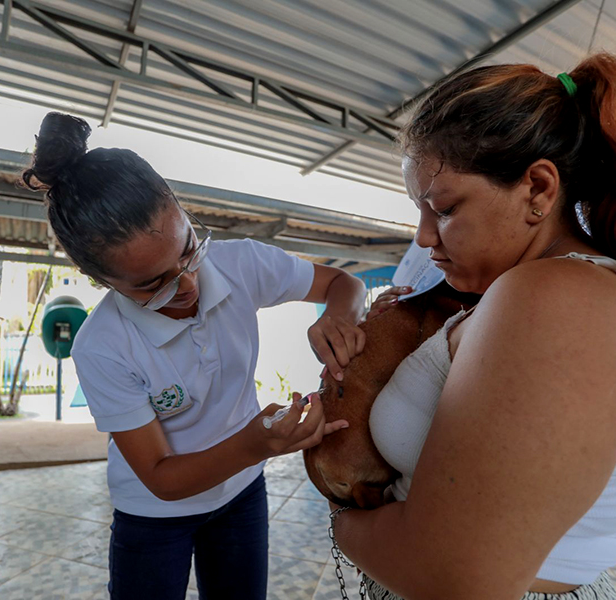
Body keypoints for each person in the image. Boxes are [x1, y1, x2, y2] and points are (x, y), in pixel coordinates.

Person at [331, 53, 616, 600]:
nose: (425, 237)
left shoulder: (559, 301)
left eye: (445, 209)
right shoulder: (546, 295)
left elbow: (453, 579)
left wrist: (343, 519)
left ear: (537, 189)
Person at [20, 112, 368, 600]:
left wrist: (339, 317)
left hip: (242, 492)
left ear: (182, 213)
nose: (186, 285)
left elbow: (343, 284)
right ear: (102, 282)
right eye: (151, 283)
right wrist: (257, 444)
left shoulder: (240, 263)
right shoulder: (103, 347)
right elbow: (162, 479)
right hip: (153, 515)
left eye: (187, 250)